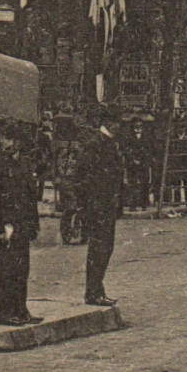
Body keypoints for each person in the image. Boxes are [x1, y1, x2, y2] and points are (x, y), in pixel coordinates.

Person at [72, 104, 126, 306]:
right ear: (109, 123)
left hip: (106, 206)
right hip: (98, 207)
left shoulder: (109, 144)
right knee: (99, 249)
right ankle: (93, 292)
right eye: (117, 123)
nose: (120, 127)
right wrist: (88, 205)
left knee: (105, 248)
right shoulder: (96, 145)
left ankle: (97, 289)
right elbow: (82, 177)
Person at [0, 125, 42, 326]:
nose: (7, 143)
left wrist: (34, 223)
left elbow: (30, 198)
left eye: (10, 139)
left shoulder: (25, 164)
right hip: (7, 223)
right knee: (7, 270)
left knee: (22, 269)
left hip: (22, 222)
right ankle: (5, 312)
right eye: (4, 139)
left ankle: (21, 310)